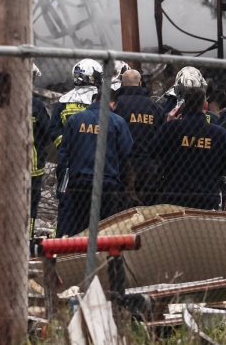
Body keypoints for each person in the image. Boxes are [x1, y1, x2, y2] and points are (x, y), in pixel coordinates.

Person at [55, 91, 133, 237]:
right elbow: (127, 152)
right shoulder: (117, 121)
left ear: (94, 100)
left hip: (79, 183)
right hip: (106, 184)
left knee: (79, 226)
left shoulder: (75, 119)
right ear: (112, 103)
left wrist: (65, 184)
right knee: (104, 227)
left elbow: (64, 155)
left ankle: (78, 256)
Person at [150, 87, 226, 210]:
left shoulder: (171, 128)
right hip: (207, 200)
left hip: (174, 199)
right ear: (205, 105)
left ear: (184, 104)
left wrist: (168, 124)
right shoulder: (219, 134)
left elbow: (152, 151)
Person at [112, 68, 165, 205]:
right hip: (148, 168)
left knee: (121, 211)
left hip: (121, 166)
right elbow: (162, 139)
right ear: (140, 84)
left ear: (122, 85)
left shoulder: (115, 106)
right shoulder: (155, 108)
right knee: (146, 211)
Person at [47, 59, 103, 149]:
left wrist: (64, 146)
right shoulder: (103, 100)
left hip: (71, 154)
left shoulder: (64, 101)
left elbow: (54, 129)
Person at [29, 64, 52, 237]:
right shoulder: (36, 106)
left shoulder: (3, 102)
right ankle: (26, 240)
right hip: (33, 167)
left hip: (7, 167)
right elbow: (47, 133)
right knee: (30, 205)